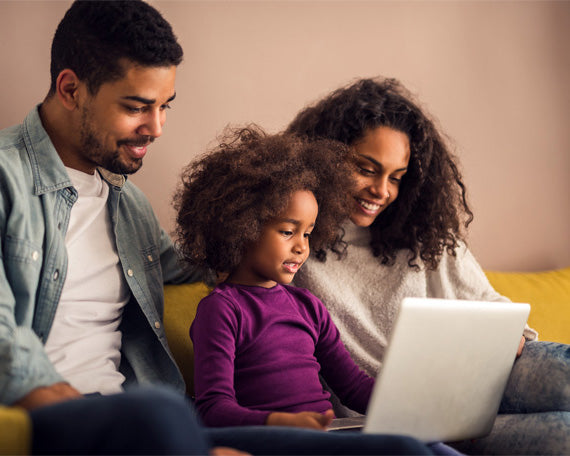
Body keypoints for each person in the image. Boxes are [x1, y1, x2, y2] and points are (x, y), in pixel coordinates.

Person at [0, 2, 434, 454]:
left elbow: (211, 259)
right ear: (70, 89)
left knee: (402, 449)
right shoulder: (6, 177)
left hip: (148, 416)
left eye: (165, 106)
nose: (157, 127)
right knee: (163, 411)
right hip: (72, 415)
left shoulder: (127, 206)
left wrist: (288, 237)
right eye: (137, 107)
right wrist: (61, 400)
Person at [286, 77, 570, 454]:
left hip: (475, 386)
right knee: (564, 433)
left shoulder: (424, 236)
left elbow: (492, 306)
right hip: (388, 424)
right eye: (367, 169)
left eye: (396, 178)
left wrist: (506, 334)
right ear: (326, 157)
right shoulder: (294, 241)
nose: (382, 191)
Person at [173, 126, 459, 456]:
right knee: (404, 449)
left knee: (428, 443)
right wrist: (278, 422)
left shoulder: (306, 305)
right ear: (241, 227)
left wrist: (406, 406)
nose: (301, 247)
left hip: (326, 435)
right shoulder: (222, 309)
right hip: (269, 438)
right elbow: (213, 410)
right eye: (287, 231)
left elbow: (352, 385)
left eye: (308, 233)